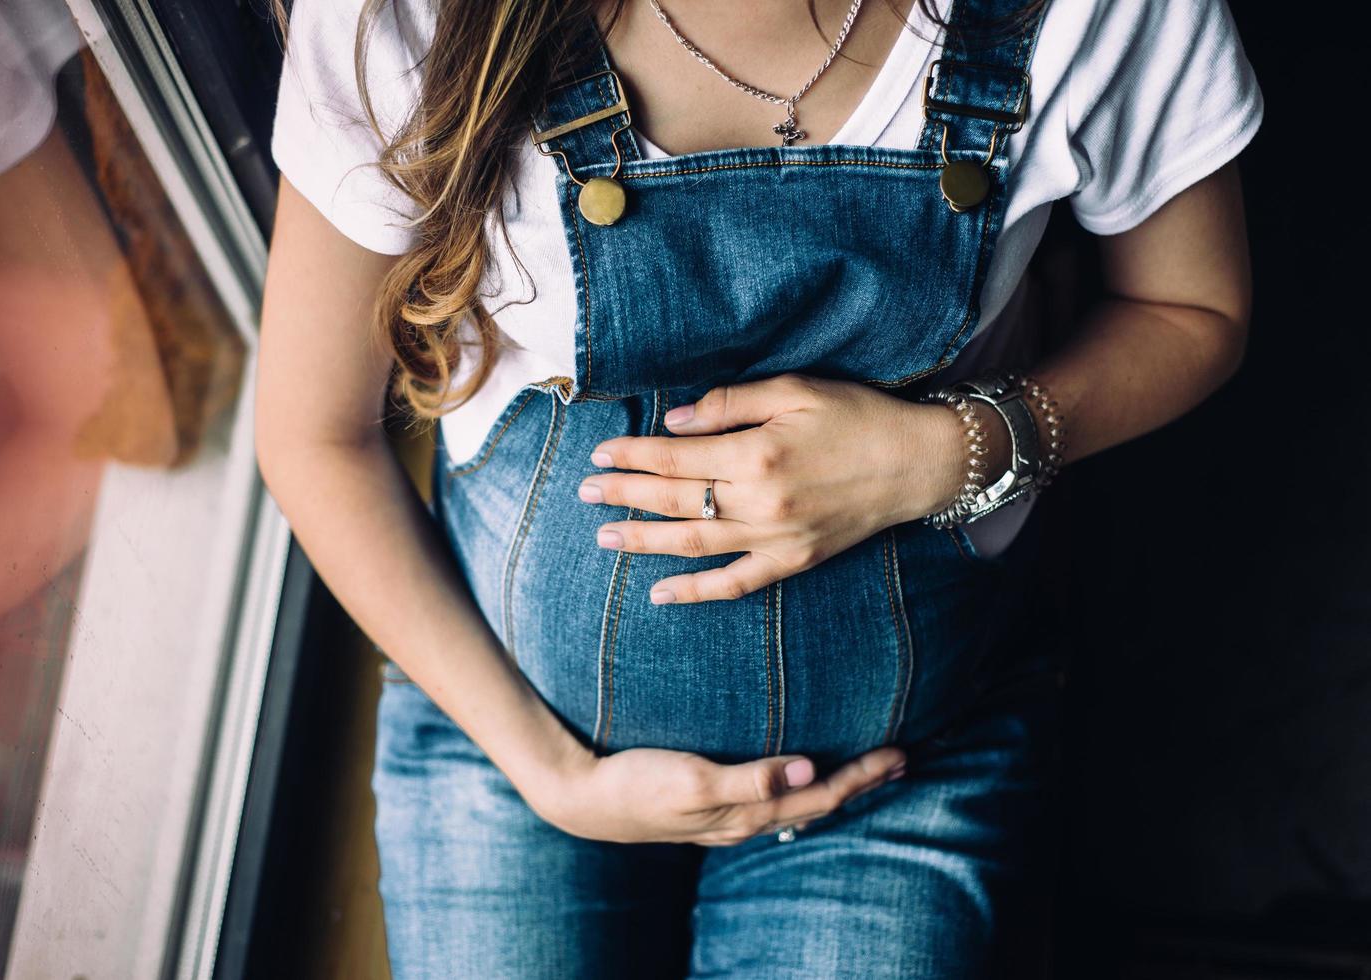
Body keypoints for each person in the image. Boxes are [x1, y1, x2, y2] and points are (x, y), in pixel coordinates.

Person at [255, 0, 1261, 974]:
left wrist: (940, 454)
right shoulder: (404, 18)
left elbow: (1190, 306)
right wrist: (551, 774)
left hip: (900, 763)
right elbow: (314, 435)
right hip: (508, 727)